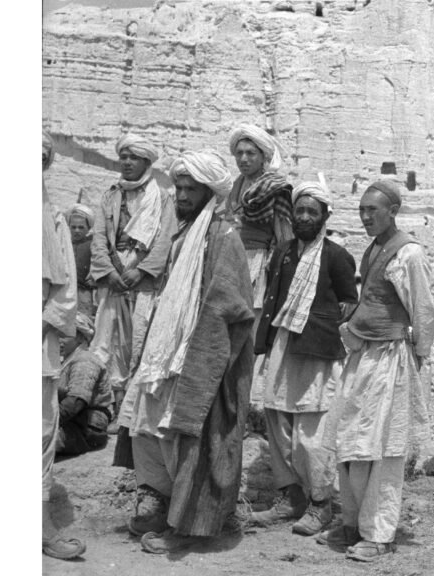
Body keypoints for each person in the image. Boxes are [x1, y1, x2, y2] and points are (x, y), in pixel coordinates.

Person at [117, 150, 255, 554]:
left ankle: (189, 525)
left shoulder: (223, 235)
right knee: (149, 430)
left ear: (209, 192)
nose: (180, 195)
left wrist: (204, 352)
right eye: (178, 187)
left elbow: (230, 304)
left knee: (190, 442)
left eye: (189, 188)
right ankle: (163, 508)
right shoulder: (185, 232)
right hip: (168, 352)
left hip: (201, 355)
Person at [319, 180, 434, 562]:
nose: (367, 217)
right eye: (362, 211)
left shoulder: (410, 254)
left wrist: (418, 357)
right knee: (353, 441)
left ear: (393, 211)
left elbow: (424, 310)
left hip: (391, 359)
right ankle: (352, 524)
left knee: (384, 448)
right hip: (363, 356)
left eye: (373, 210)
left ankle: (379, 533)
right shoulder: (372, 250)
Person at [249, 177, 358, 536]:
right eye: (301, 210)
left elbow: (348, 303)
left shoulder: (337, 256)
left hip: (316, 351)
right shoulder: (282, 252)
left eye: (313, 211)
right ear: (293, 214)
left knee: (312, 432)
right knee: (277, 422)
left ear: (325, 215)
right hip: (282, 345)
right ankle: (289, 497)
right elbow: (271, 299)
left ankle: (320, 504)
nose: (306, 216)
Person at [88, 134, 178, 401]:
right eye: (123, 157)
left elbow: (165, 240)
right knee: (106, 340)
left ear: (146, 161)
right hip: (113, 278)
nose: (127, 162)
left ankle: (129, 405)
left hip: (143, 282)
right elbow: (100, 238)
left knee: (137, 341)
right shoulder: (110, 196)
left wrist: (141, 270)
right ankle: (105, 403)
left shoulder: (161, 198)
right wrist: (110, 272)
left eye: (133, 158)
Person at [42, 130, 86, 560]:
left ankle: (42, 528)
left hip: (37, 343)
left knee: (37, 432)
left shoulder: (52, 220)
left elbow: (66, 289)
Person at [226, 124, 294, 332]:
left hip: (258, 263)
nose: (244, 159)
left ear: (263, 155)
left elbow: (284, 235)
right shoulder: (235, 186)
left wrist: (274, 269)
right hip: (231, 260)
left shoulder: (274, 188)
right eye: (239, 153)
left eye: (250, 153)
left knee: (251, 326)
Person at [55, 313, 112, 456]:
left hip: (85, 428)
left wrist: (48, 423)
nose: (58, 340)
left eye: (64, 335)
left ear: (80, 337)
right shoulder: (66, 360)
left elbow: (76, 402)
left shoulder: (85, 360)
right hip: (71, 421)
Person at [67, 204, 97, 317]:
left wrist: (94, 276)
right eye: (73, 227)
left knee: (83, 323)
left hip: (84, 292)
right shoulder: (64, 244)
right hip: (64, 291)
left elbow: (99, 262)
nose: (77, 230)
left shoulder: (93, 244)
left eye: (81, 227)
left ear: (88, 228)